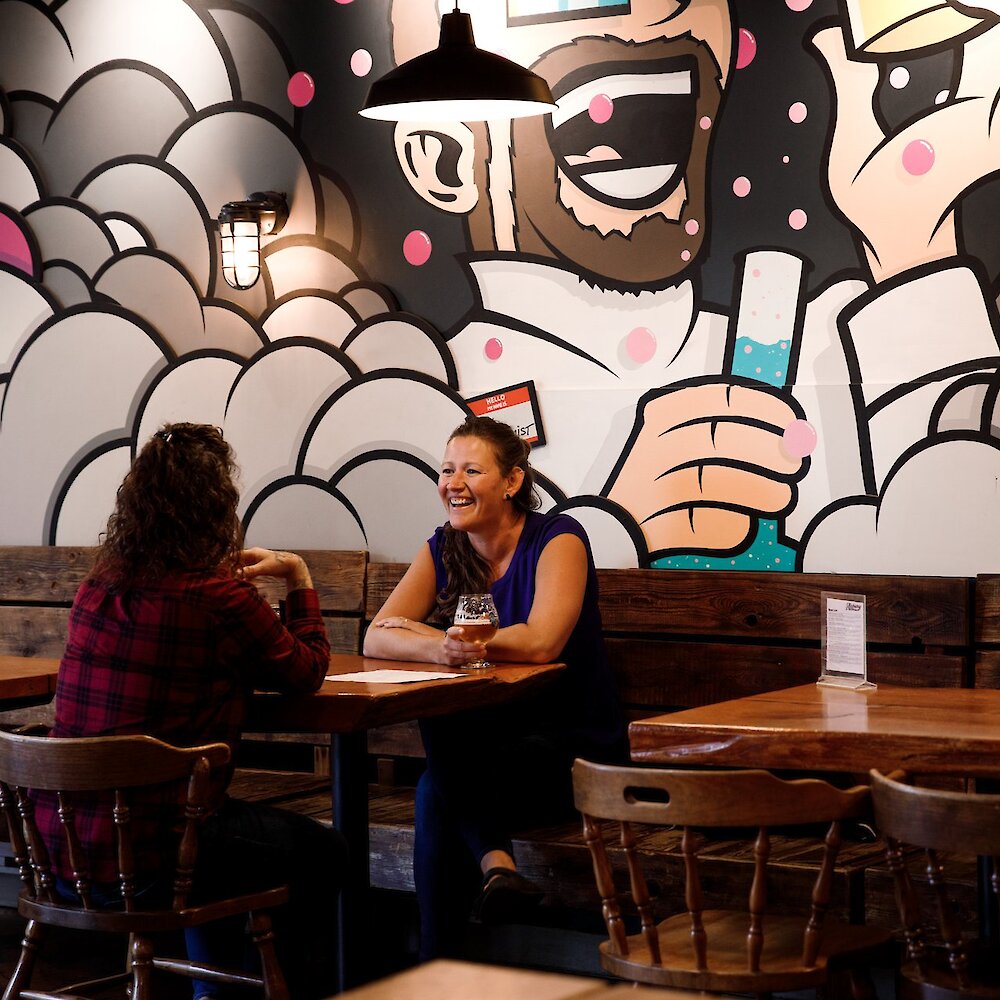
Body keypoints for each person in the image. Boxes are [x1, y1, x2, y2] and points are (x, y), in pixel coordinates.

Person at [30, 422, 347, 1000]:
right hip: (153, 860)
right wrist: (299, 575)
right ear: (215, 508)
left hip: (61, 852)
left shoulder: (98, 586)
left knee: (213, 831)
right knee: (324, 852)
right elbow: (306, 671)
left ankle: (214, 991)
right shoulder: (218, 598)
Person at [363, 414, 627, 959]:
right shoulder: (444, 548)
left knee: (436, 789)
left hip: (572, 752)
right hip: (489, 757)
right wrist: (440, 648)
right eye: (446, 470)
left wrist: (461, 643)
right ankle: (494, 870)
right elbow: (377, 635)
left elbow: (541, 642)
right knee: (438, 761)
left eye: (471, 470)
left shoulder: (559, 537)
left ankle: (439, 966)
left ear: (511, 482)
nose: (452, 483)